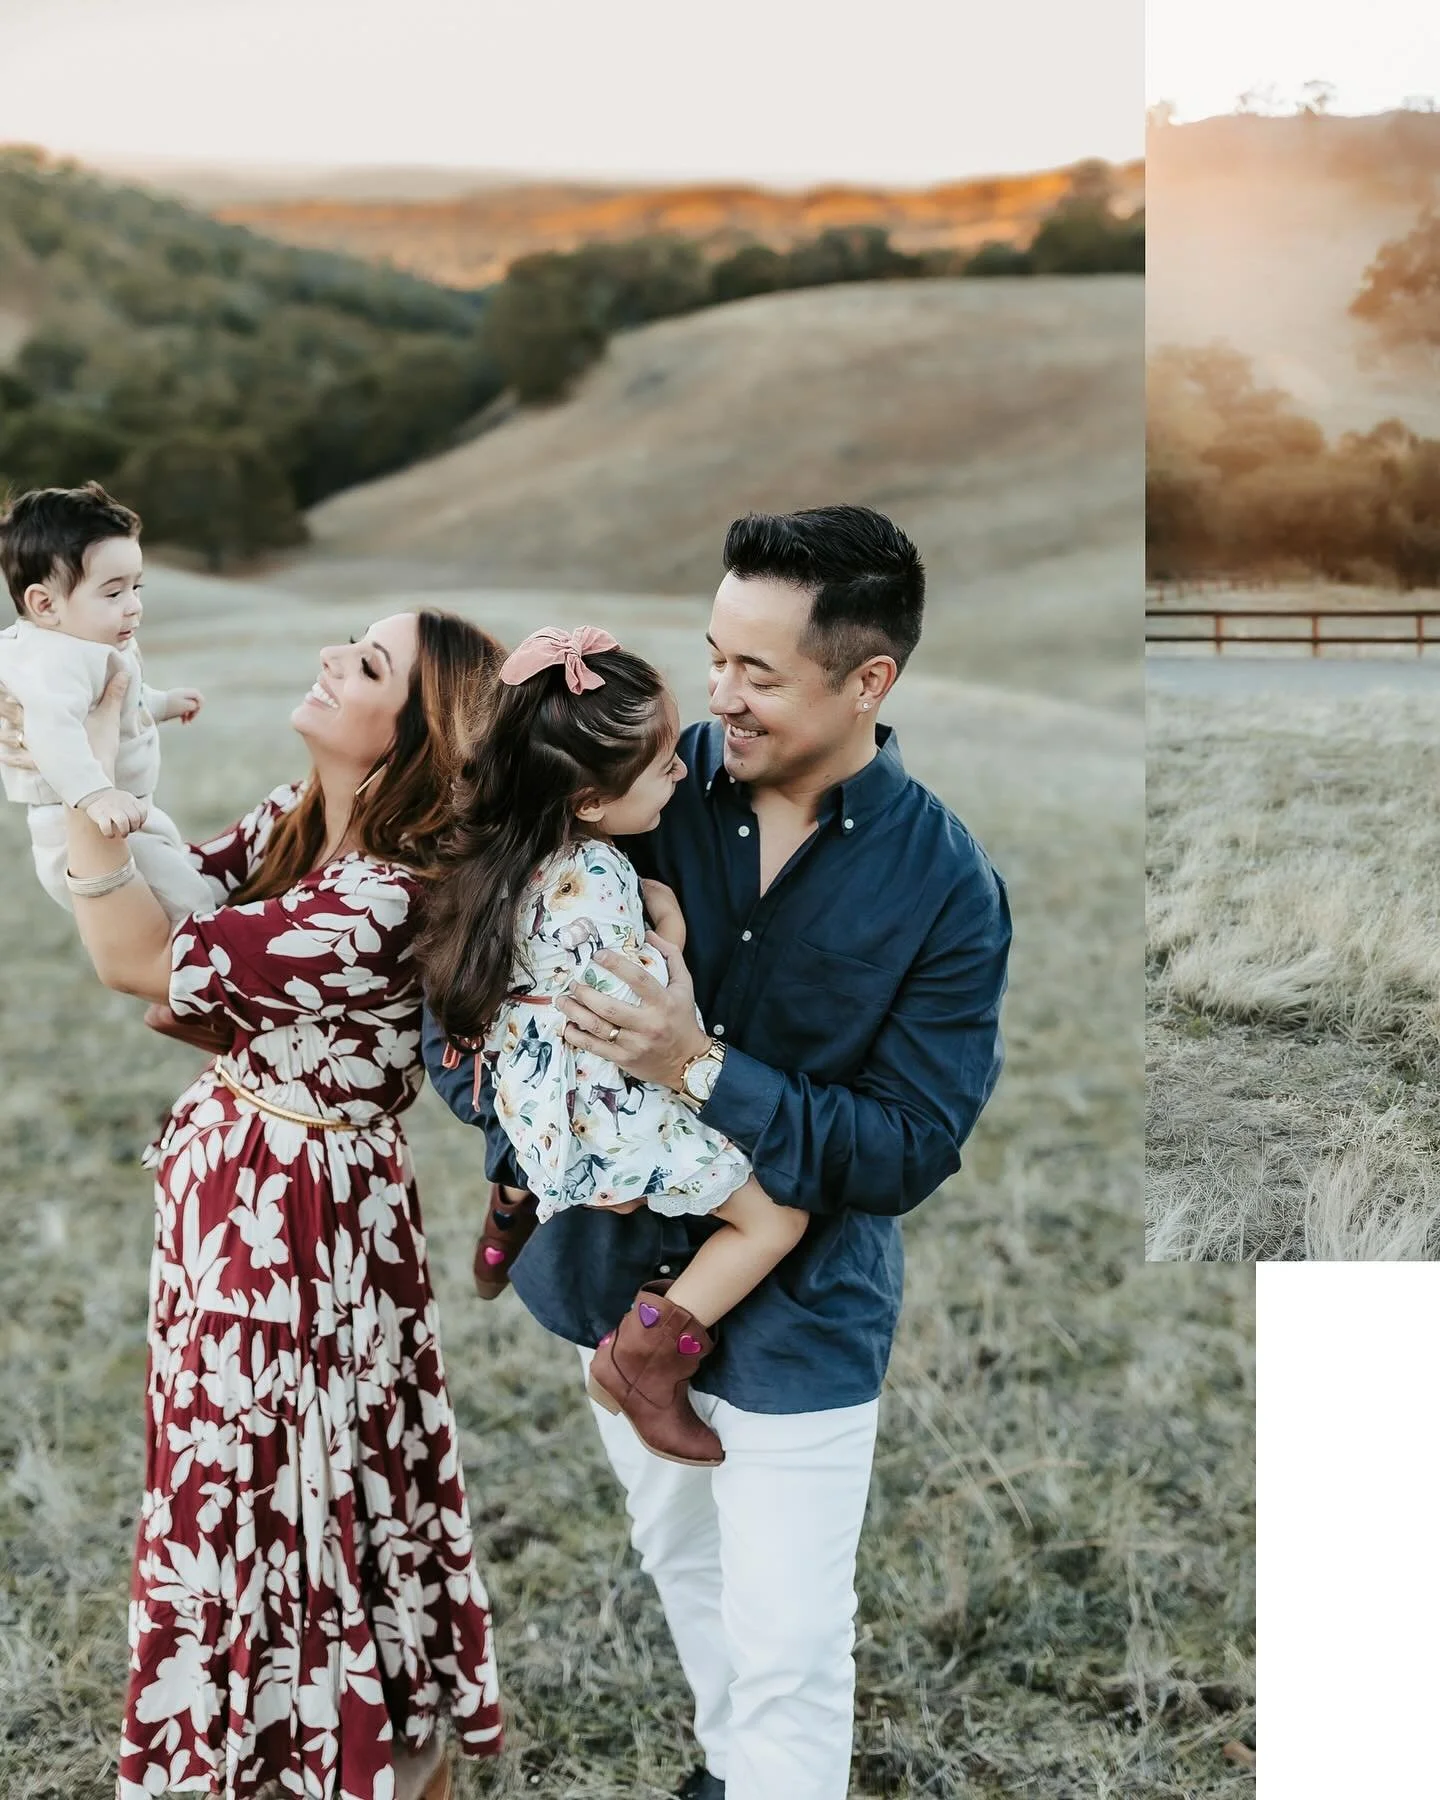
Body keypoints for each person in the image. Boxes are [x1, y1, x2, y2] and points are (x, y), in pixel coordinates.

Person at [422, 505, 1011, 1800]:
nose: (720, 699)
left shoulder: (946, 886)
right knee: (687, 1569)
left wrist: (693, 1065)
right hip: (603, 1278)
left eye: (758, 672)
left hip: (805, 1315)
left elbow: (906, 1149)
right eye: (715, 654)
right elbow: (467, 993)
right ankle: (738, 1776)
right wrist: (524, 1113)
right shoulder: (634, 778)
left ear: (869, 680)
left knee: (794, 1643)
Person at [1, 609, 507, 1800]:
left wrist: (82, 779)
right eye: (350, 643)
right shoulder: (304, 812)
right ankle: (271, 1751)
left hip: (305, 1221)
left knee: (293, 1490)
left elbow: (141, 961)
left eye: (369, 666)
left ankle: (347, 1756)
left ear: (417, 737)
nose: (333, 661)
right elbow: (183, 913)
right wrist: (87, 769)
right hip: (241, 1187)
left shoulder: (385, 891)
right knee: (242, 1482)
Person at [418, 625, 807, 1469]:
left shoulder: (507, 860)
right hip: (605, 1105)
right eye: (661, 762)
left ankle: (515, 1201)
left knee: (613, 1188)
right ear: (590, 801)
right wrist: (668, 929)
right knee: (774, 1221)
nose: (680, 770)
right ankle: (639, 1364)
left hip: (533, 1096)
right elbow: (640, 1011)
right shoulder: (598, 874)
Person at [0, 482, 213, 921]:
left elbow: (118, 707)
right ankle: (203, 976)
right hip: (78, 825)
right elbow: (52, 734)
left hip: (129, 810)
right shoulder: (53, 662)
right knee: (190, 907)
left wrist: (163, 703)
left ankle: (179, 974)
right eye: (114, 593)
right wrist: (96, 794)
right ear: (44, 604)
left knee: (184, 881)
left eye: (137, 587)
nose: (133, 606)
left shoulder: (93, 639)